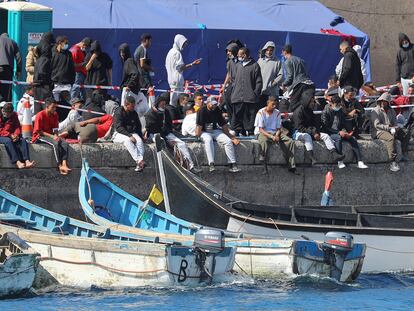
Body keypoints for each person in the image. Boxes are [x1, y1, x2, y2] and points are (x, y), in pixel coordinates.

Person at [145, 95, 200, 173]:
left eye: (165, 104)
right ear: (157, 103)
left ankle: (190, 166)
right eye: (162, 104)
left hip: (166, 133)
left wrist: (170, 135)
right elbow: (152, 129)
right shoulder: (150, 114)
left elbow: (168, 125)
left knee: (182, 144)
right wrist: (167, 141)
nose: (163, 106)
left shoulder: (166, 112)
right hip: (154, 133)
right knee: (161, 142)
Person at [292, 94, 344, 165]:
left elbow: (315, 124)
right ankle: (311, 157)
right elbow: (299, 127)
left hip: (311, 131)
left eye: (313, 102)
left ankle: (334, 154)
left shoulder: (310, 110)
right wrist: (313, 132)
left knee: (325, 136)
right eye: (311, 102)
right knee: (307, 136)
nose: (313, 104)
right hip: (298, 132)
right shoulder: (298, 111)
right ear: (306, 102)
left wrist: (316, 131)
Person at [321, 95, 368, 169]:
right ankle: (340, 161)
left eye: (339, 105)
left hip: (339, 131)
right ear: (331, 103)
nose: (338, 106)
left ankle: (360, 161)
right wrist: (338, 132)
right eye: (337, 105)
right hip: (329, 132)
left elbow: (343, 123)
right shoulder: (325, 112)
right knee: (338, 138)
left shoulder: (340, 111)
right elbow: (326, 127)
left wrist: (347, 132)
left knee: (352, 139)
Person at [195, 96, 241, 173]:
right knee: (208, 140)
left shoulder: (217, 109)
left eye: (215, 104)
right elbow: (199, 126)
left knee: (228, 141)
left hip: (214, 130)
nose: (214, 106)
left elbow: (223, 124)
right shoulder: (201, 110)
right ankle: (211, 164)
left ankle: (232, 164)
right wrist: (198, 136)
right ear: (208, 103)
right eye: (213, 104)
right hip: (204, 131)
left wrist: (231, 137)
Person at [254, 96, 296, 174]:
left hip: (274, 132)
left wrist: (276, 135)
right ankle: (264, 165)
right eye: (272, 104)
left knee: (290, 141)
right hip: (263, 133)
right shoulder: (261, 112)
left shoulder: (277, 113)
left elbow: (278, 128)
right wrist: (271, 136)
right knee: (264, 141)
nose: (274, 106)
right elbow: (260, 129)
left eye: (275, 104)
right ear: (268, 103)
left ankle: (291, 165)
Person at [371, 92, 411, 172]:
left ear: (388, 102)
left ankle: (402, 153)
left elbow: (395, 122)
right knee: (390, 138)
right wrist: (389, 128)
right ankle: (392, 161)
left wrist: (396, 128)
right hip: (378, 131)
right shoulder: (375, 111)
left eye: (385, 101)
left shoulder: (391, 110)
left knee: (406, 132)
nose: (383, 103)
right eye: (382, 101)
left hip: (391, 129)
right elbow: (377, 125)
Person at [32, 97, 71, 175]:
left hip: (50, 135)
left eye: (55, 107)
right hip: (39, 136)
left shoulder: (55, 114)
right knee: (55, 144)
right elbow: (39, 131)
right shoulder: (40, 115)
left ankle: (64, 163)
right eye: (53, 107)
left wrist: (56, 136)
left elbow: (55, 128)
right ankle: (59, 165)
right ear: (47, 107)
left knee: (64, 143)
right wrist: (52, 137)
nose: (55, 109)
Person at [230, 47, 263, 136]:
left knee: (250, 116)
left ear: (244, 55)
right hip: (237, 97)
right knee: (237, 115)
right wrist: (234, 92)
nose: (238, 56)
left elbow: (259, 82)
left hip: (250, 98)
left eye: (239, 55)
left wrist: (255, 93)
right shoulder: (237, 65)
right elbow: (233, 80)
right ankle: (237, 131)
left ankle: (250, 131)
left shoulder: (255, 65)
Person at [165, 34, 201, 106]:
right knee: (177, 102)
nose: (185, 45)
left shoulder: (170, 52)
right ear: (179, 42)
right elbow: (181, 67)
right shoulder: (177, 53)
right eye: (184, 43)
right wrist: (192, 64)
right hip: (177, 81)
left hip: (171, 80)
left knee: (173, 101)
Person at [119, 43, 148, 128]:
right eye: (120, 52)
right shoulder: (130, 61)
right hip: (133, 90)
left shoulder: (128, 61)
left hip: (129, 91)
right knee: (133, 112)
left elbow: (135, 74)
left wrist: (128, 85)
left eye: (123, 52)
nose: (121, 54)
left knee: (125, 111)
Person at [112, 96, 145, 172]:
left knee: (139, 141)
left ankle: (139, 163)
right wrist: (129, 136)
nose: (134, 107)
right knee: (127, 141)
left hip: (131, 132)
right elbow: (118, 127)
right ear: (126, 105)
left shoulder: (133, 113)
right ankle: (140, 161)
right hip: (118, 133)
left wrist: (141, 136)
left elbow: (138, 126)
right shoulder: (119, 112)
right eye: (132, 106)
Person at [281, 44, 314, 113]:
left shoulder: (287, 61)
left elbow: (290, 77)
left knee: (293, 105)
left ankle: (292, 122)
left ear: (284, 52)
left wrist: (283, 84)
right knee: (305, 105)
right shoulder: (301, 60)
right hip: (309, 83)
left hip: (299, 85)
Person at [0, 103, 35, 169]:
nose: (8, 115)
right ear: (3, 110)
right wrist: (10, 135)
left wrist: (16, 135)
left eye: (10, 114)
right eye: (6, 113)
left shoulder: (14, 115)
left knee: (23, 140)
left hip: (11, 135)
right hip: (3, 135)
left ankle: (27, 161)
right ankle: (17, 162)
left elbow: (17, 126)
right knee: (8, 141)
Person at [257, 41, 283, 108]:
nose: (269, 52)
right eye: (267, 50)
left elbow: (281, 75)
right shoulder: (260, 60)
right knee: (261, 112)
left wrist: (273, 83)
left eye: (271, 50)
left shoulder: (277, 62)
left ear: (273, 51)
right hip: (261, 92)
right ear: (264, 50)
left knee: (272, 112)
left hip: (272, 93)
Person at [33, 34, 53, 113]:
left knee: (38, 109)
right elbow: (42, 72)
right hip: (44, 87)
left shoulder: (39, 59)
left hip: (37, 87)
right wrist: (49, 82)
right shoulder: (45, 59)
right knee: (47, 110)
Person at [51, 35, 75, 101]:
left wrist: (72, 81)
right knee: (55, 105)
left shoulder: (69, 54)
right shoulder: (52, 53)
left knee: (66, 105)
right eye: (65, 43)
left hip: (66, 84)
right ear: (59, 43)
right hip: (55, 84)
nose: (67, 45)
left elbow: (72, 68)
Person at [0, 33, 22, 102]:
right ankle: (6, 109)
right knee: (7, 91)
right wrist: (18, 71)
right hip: (8, 69)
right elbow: (19, 58)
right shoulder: (13, 42)